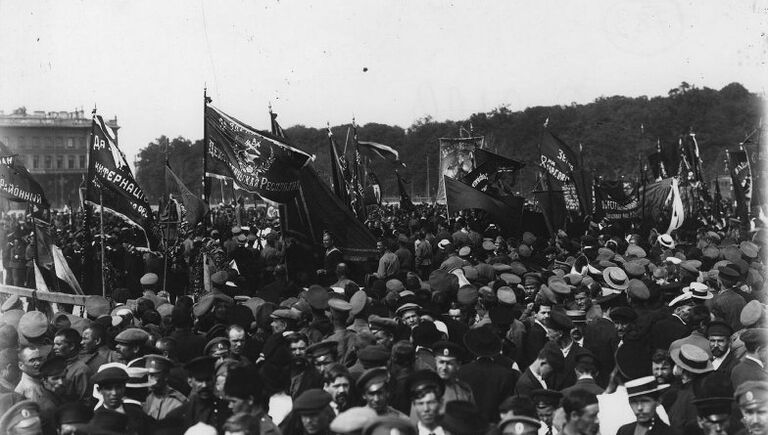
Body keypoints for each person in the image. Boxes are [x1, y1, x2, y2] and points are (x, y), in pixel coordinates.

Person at [141, 354, 188, 420]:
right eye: (148, 375)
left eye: (153, 375)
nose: (149, 379)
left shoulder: (178, 401)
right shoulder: (142, 396)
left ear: (166, 376)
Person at [432, 341, 474, 408]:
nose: (444, 368)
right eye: (441, 362)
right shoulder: (425, 388)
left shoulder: (464, 390)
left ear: (458, 365)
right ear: (435, 363)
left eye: (449, 363)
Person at [406, 370, 445, 435]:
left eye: (431, 402)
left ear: (440, 403)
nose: (426, 409)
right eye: (420, 403)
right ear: (414, 405)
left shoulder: (453, 432)